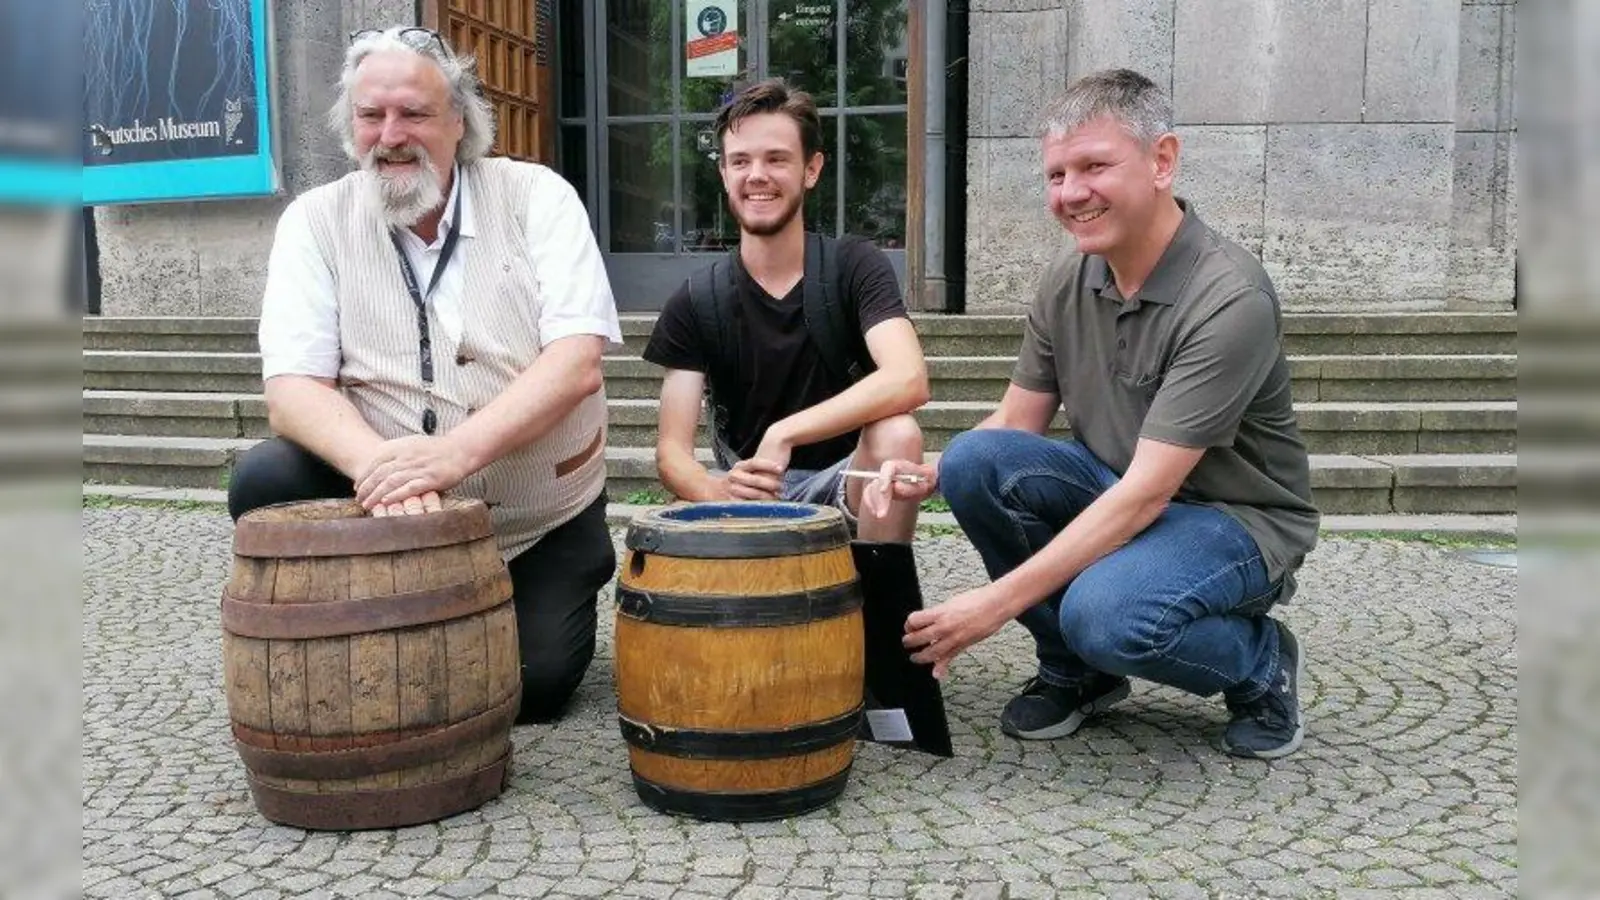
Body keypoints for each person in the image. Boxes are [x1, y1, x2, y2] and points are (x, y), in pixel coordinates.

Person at [886, 69, 1321, 759]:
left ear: (1162, 160)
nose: (1070, 194)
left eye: (1094, 166)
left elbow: (1147, 493)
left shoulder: (1229, 298)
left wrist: (990, 607)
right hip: (1121, 489)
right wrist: (935, 471)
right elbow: (1015, 425)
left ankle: (1260, 663)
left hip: (1234, 522)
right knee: (974, 460)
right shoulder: (1069, 277)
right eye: (1057, 175)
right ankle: (1078, 672)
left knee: (1106, 616)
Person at [227, 26, 622, 725]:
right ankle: (345, 622)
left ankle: (552, 581)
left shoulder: (538, 196)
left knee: (529, 686)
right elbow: (292, 389)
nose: (391, 136)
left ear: (460, 121)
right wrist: (380, 469)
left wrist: (451, 457)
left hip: (536, 513)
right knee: (265, 478)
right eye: (371, 115)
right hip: (390, 506)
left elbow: (576, 362)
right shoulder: (315, 221)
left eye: (413, 113)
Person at [641, 79, 930, 543]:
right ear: (724, 173)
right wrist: (716, 491)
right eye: (741, 161)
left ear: (811, 169)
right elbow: (672, 452)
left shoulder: (854, 265)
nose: (757, 175)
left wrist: (785, 433)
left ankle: (881, 584)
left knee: (898, 434)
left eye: (776, 159)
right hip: (752, 490)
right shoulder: (696, 299)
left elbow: (908, 377)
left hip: (846, 479)